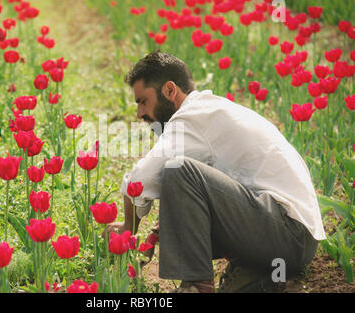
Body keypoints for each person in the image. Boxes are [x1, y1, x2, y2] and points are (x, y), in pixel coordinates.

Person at [105, 50, 326, 293]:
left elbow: (141, 180)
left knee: (179, 171)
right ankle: (258, 272)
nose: (140, 114)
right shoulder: (212, 110)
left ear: (169, 91)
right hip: (292, 240)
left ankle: (196, 287)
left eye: (143, 101)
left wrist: (128, 227)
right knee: (180, 187)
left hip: (287, 232)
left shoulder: (192, 117)